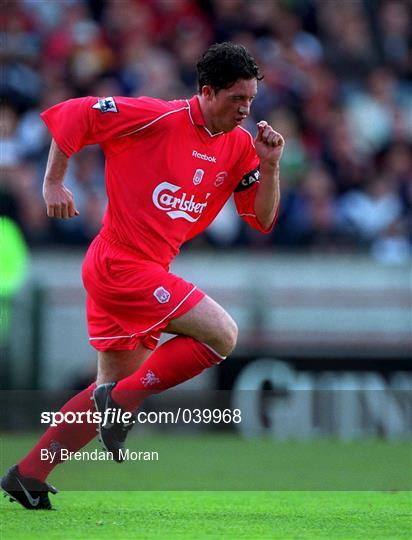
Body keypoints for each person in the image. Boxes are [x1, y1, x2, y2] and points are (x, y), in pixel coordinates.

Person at [1, 42, 284, 510]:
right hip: (119, 264)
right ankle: (125, 399)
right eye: (237, 99)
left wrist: (270, 166)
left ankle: (28, 475)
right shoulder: (157, 116)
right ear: (207, 92)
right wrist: (52, 180)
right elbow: (76, 113)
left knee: (102, 395)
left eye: (251, 100)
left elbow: (262, 220)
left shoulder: (239, 146)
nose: (246, 110)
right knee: (222, 335)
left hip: (144, 270)